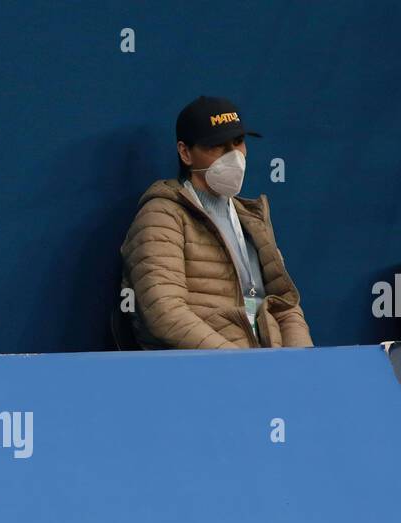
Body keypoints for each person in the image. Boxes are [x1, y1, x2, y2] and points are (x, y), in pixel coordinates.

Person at [119, 96, 312, 349]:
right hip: (204, 371)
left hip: (267, 366)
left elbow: (285, 305)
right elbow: (165, 313)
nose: (234, 156)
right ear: (186, 153)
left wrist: (302, 361)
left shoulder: (251, 218)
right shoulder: (160, 215)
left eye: (239, 142)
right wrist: (239, 364)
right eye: (218, 146)